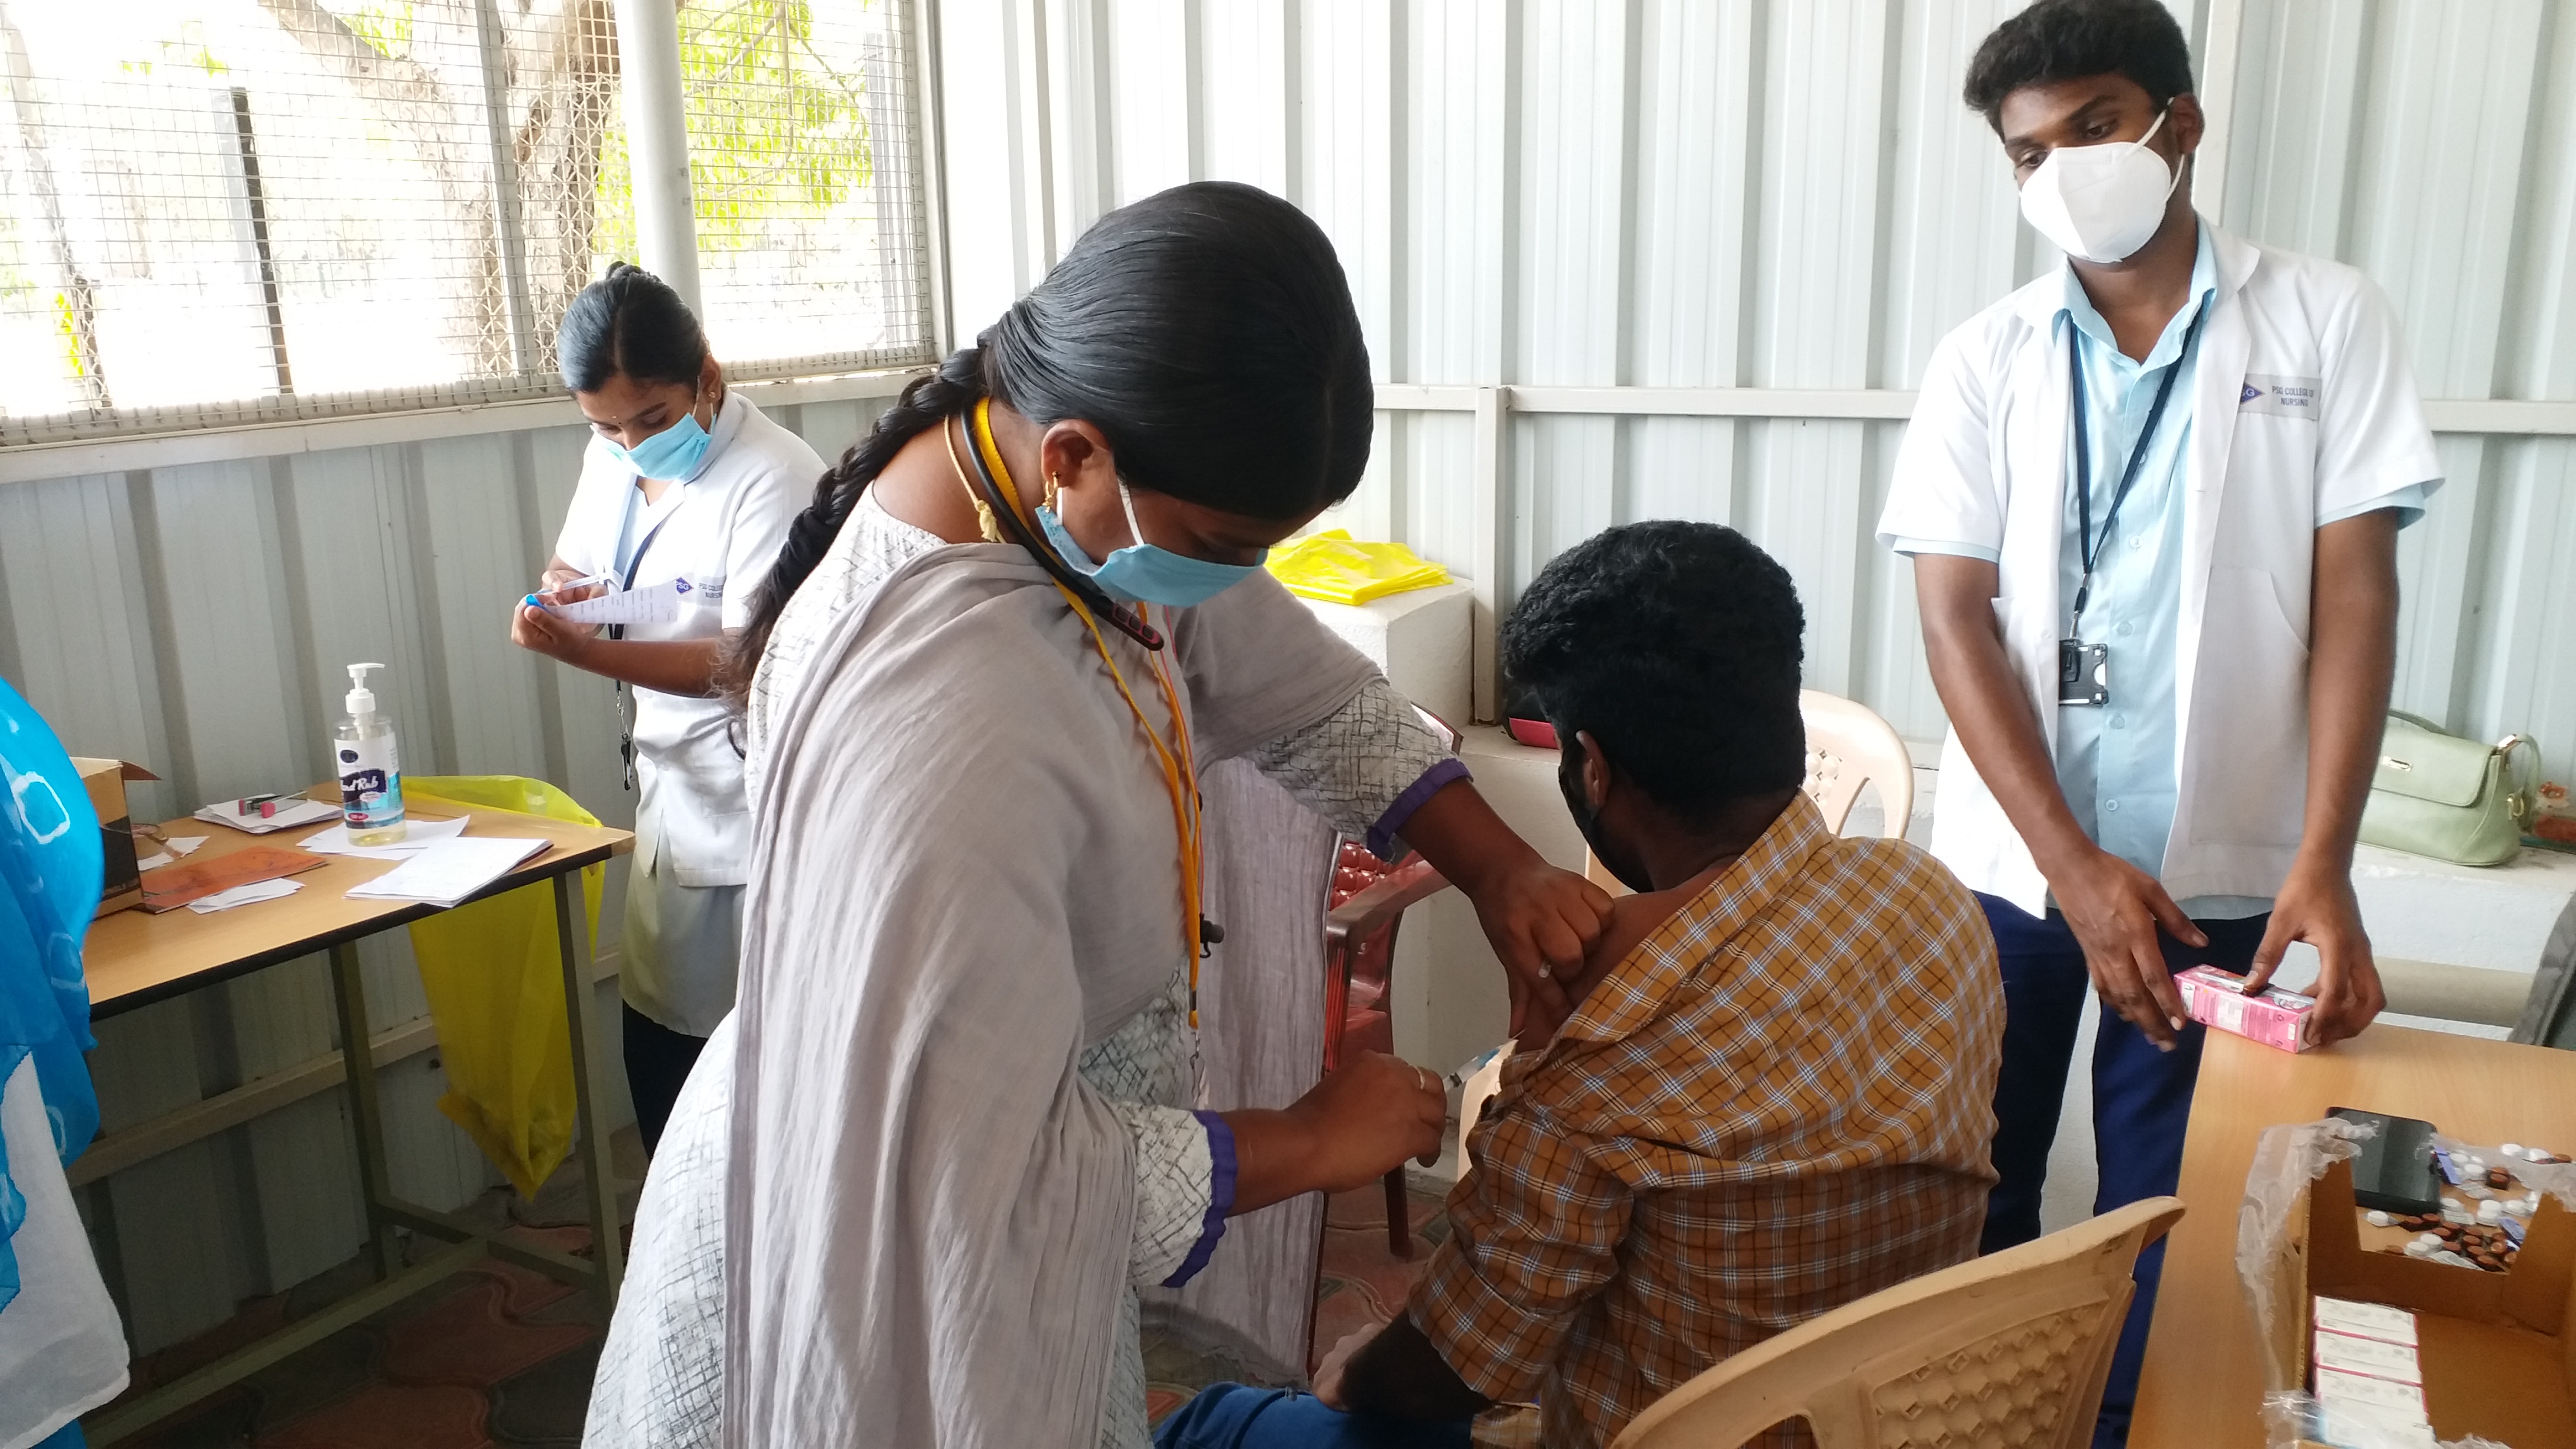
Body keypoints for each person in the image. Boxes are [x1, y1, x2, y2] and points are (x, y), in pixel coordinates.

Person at [580, 182, 1613, 1449]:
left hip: (975, 1178)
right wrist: (1306, 1139)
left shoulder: (1054, 500)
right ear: (1078, 456)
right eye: (1226, 543)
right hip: (885, 1230)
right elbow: (993, 1187)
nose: (1237, 583)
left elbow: (1301, 696)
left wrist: (1501, 870)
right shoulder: (948, 726)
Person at [1874, 2, 2441, 1442]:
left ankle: (2127, 1425)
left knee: (2169, 1204)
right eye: (2030, 153)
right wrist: (2067, 863)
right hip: (2019, 870)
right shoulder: (1982, 358)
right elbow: (1955, 626)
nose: (2066, 169)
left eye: (2099, 125)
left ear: (2179, 124)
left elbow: (2354, 602)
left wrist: (2327, 858)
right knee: (1975, 1180)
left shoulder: (2324, 317)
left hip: (2229, 874)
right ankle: (1976, 1416)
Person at [1162, 522, 2006, 1449]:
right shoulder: (1934, 908)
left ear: (1592, 769)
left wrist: (1354, 1366)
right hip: (1894, 1421)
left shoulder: (1594, 1059)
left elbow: (1457, 1370)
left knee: (1219, 1423)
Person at [509, 263, 819, 1153]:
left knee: (743, 1078)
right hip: (671, 794)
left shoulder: (775, 476)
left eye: (653, 417)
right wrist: (567, 598)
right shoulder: (612, 455)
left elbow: (749, 659)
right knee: (662, 1058)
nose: (631, 442)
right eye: (605, 424)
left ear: (707, 377)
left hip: (747, 806)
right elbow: (580, 569)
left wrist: (589, 649)